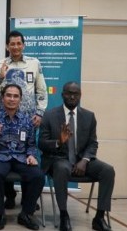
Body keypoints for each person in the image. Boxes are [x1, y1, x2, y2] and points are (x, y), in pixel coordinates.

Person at [39, 82, 115, 231]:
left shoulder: (89, 116)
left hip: (82, 161)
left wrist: (85, 160)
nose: (72, 96)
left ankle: (99, 218)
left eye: (76, 94)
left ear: (80, 95)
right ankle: (64, 215)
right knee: (61, 169)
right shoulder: (49, 115)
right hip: (59, 159)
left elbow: (93, 143)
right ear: (62, 95)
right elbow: (41, 143)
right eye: (68, 93)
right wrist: (59, 142)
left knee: (108, 170)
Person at [0, 30, 47, 209]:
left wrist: (39, 113)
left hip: (29, 121)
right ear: (7, 46)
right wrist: (0, 77)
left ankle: (28, 197)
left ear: (23, 45)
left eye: (18, 43)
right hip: (5, 120)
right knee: (4, 153)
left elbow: (41, 90)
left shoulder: (34, 63)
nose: (15, 47)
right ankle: (9, 196)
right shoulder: (0, 64)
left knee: (27, 155)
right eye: (12, 44)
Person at [0, 84, 45, 230]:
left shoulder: (27, 120)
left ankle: (26, 214)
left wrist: (31, 155)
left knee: (38, 176)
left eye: (15, 96)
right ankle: (1, 214)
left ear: (20, 99)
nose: (12, 99)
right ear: (2, 98)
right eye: (8, 95)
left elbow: (31, 144)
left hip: (21, 158)